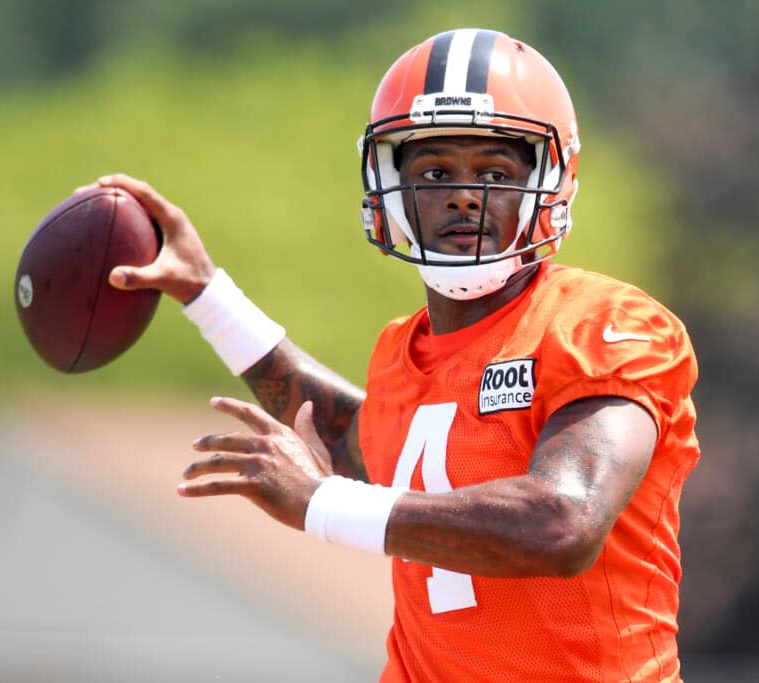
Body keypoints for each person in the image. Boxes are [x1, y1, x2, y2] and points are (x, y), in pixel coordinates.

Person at [85, 28, 700, 683]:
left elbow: (563, 520)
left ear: (551, 181)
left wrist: (321, 504)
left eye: (494, 171)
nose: (465, 194)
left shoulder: (607, 323)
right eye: (436, 172)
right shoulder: (399, 352)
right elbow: (364, 443)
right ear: (389, 183)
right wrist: (208, 294)